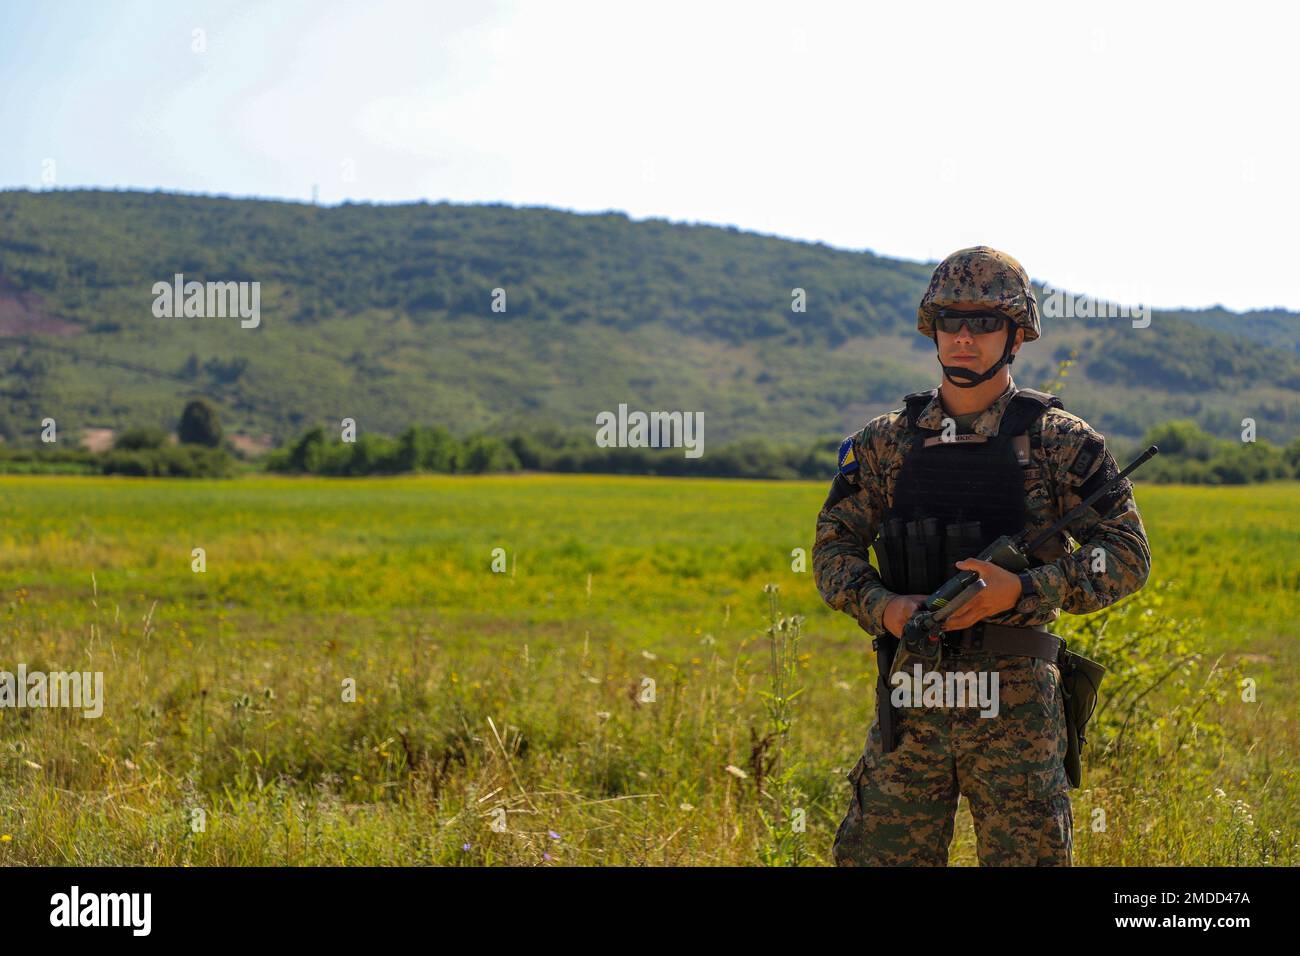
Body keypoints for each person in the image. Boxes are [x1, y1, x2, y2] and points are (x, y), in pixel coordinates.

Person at [813, 246, 1151, 866]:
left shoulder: (1060, 441)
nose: (964, 337)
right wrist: (884, 608)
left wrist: (1021, 592)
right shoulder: (885, 443)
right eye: (951, 322)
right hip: (914, 698)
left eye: (984, 322)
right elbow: (833, 549)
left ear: (1017, 332)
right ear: (932, 329)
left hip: (1016, 710)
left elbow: (1126, 554)